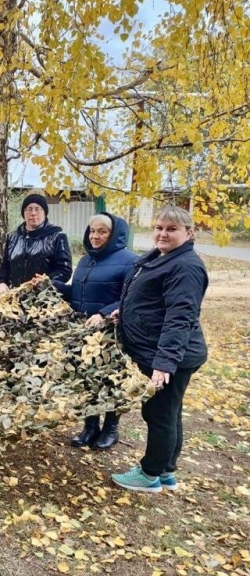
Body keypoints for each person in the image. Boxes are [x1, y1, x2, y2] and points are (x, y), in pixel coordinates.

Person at [110, 206, 208, 493]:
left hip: (170, 354)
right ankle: (166, 471)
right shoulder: (157, 258)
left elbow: (180, 316)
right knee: (170, 412)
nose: (163, 233)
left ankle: (150, 473)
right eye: (159, 227)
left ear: (189, 233)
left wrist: (164, 363)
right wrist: (123, 314)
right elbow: (149, 302)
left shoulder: (186, 266)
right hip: (162, 349)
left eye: (172, 229)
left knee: (159, 414)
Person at [55, 213, 137, 450]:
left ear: (114, 234)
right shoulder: (85, 260)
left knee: (111, 381)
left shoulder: (130, 261)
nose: (95, 235)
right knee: (88, 380)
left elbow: (131, 298)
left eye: (102, 231)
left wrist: (103, 313)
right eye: (92, 231)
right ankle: (90, 426)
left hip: (111, 333)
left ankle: (111, 428)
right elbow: (77, 293)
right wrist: (53, 285)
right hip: (85, 332)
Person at [0, 193, 72, 293]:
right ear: (23, 213)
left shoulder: (57, 236)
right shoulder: (12, 237)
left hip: (43, 298)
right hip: (14, 297)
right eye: (29, 209)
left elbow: (64, 270)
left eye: (37, 209)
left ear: (45, 213)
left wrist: (45, 281)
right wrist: (2, 283)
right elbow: (6, 267)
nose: (33, 213)